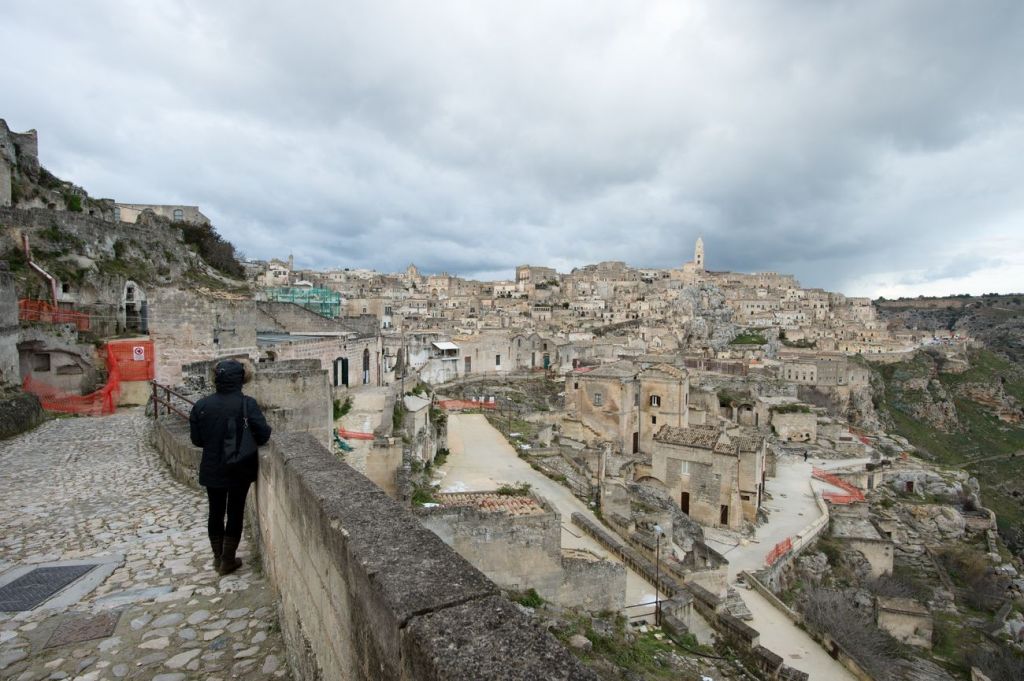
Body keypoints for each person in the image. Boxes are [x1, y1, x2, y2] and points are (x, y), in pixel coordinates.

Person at [189, 359, 272, 575]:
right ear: (242, 379)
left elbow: (197, 440)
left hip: (212, 466)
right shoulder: (247, 404)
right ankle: (228, 559)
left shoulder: (201, 406)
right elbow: (263, 434)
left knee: (215, 512)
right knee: (235, 511)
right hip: (239, 467)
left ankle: (218, 558)